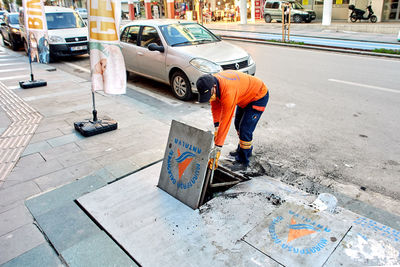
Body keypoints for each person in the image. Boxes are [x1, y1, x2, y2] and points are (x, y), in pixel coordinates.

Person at [196, 70, 269, 171]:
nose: (209, 98)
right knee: (237, 124)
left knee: (245, 129)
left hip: (258, 96)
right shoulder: (213, 82)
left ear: (214, 87)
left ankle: (243, 161)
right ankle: (244, 150)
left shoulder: (228, 92)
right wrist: (216, 127)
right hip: (244, 96)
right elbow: (216, 107)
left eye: (209, 94)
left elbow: (225, 121)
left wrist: (217, 148)